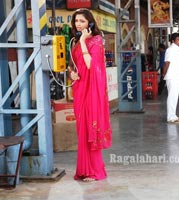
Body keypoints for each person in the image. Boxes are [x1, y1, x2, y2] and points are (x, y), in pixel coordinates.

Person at [68, 8, 112, 182]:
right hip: (79, 87)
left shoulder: (96, 40)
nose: (78, 24)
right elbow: (73, 65)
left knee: (91, 128)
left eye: (82, 21)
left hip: (91, 90)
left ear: (90, 23)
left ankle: (95, 171)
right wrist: (71, 73)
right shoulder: (75, 42)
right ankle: (84, 169)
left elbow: (90, 65)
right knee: (82, 130)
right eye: (76, 21)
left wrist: (84, 41)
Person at [162, 33, 179, 124]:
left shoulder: (178, 49)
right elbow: (167, 63)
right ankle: (170, 117)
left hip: (177, 76)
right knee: (171, 97)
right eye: (178, 39)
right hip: (171, 76)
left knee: (175, 97)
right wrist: (163, 74)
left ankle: (173, 115)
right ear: (173, 41)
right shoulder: (170, 50)